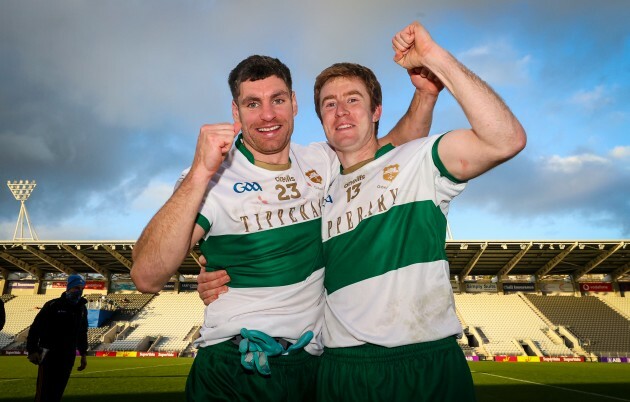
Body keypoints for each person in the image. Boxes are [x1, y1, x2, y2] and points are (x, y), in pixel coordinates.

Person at [131, 54, 439, 401]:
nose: (267, 115)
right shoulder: (209, 180)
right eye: (252, 103)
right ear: (236, 113)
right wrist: (200, 172)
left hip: (308, 368)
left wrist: (426, 94)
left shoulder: (322, 160)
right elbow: (147, 276)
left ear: (293, 104)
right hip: (235, 367)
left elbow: (394, 151)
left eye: (277, 100)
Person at [310, 21, 526, 401]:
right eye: (330, 103)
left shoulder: (418, 159)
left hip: (426, 365)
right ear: (322, 119)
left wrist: (435, 59)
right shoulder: (317, 191)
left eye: (353, 99)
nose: (341, 110)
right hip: (343, 370)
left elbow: (506, 140)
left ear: (376, 111)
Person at [27, 274, 88, 402]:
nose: (79, 291)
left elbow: (82, 332)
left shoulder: (82, 308)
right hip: (49, 355)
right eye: (76, 287)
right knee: (43, 393)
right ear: (69, 287)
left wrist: (83, 354)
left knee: (58, 392)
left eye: (82, 288)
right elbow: (35, 328)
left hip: (68, 356)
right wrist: (32, 350)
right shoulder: (52, 305)